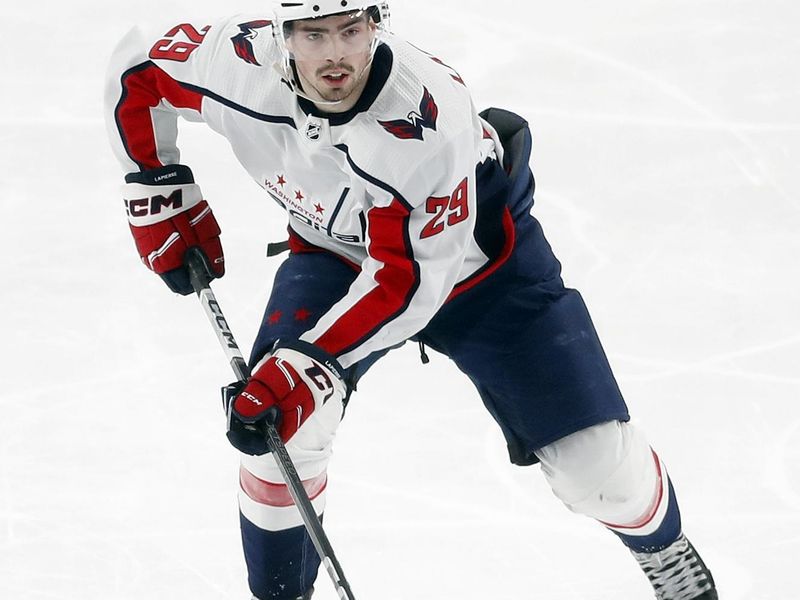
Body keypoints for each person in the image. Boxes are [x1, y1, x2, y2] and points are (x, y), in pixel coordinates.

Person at [104, 2, 718, 599]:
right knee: (279, 434)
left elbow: (407, 285)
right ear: (281, 32)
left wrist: (308, 366)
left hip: (480, 272)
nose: (336, 55)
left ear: (376, 25)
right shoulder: (232, 61)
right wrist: (157, 183)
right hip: (334, 255)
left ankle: (663, 549)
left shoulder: (427, 120)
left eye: (351, 30)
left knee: (600, 474)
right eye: (314, 35)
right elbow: (137, 74)